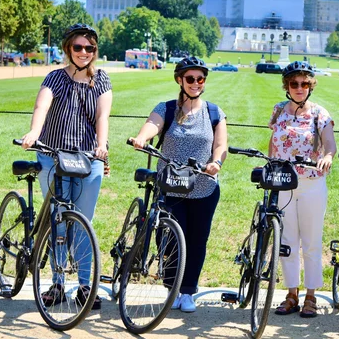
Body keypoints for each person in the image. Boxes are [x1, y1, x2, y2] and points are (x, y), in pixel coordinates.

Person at [19, 23, 113, 310]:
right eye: (78, 47)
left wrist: (102, 145)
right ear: (68, 49)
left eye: (90, 48)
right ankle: (57, 284)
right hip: (53, 154)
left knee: (84, 221)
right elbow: (42, 107)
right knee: (58, 219)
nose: (84, 52)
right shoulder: (55, 78)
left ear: (95, 51)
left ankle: (86, 288)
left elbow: (102, 117)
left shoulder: (102, 80)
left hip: (88, 157)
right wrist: (34, 132)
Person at [130, 57, 228, 313]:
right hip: (171, 185)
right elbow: (153, 125)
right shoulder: (168, 108)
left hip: (204, 188)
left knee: (197, 241)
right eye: (190, 79)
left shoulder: (214, 112)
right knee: (170, 238)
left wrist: (216, 162)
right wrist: (142, 138)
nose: (196, 83)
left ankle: (188, 292)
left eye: (200, 79)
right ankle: (172, 288)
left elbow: (220, 145)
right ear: (179, 80)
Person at [270, 61, 337, 319]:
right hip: (284, 184)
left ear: (311, 86)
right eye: (294, 83)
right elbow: (273, 144)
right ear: (287, 86)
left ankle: (311, 295)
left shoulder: (320, 113)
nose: (299, 88)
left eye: (304, 83)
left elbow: (330, 144)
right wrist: (270, 169)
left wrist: (328, 157)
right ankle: (291, 293)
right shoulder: (278, 111)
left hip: (311, 184)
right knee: (287, 241)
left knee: (310, 241)